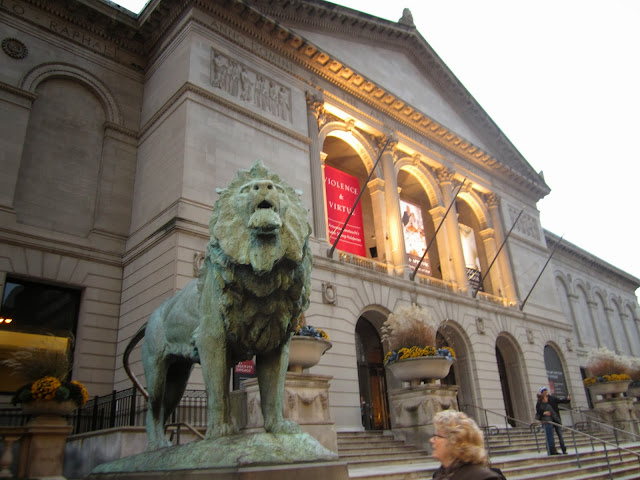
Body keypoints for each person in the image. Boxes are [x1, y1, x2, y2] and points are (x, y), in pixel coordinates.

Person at [430, 410, 505, 480]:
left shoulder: (484, 478)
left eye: (437, 436)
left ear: (456, 442)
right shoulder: (440, 475)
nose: (432, 440)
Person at [537, 386, 570, 454]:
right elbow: (538, 413)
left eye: (546, 391)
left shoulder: (552, 399)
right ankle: (551, 450)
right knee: (549, 436)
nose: (546, 394)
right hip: (547, 421)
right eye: (544, 392)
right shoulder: (540, 403)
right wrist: (543, 413)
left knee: (559, 435)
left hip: (555, 421)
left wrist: (567, 399)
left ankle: (563, 449)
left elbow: (560, 401)